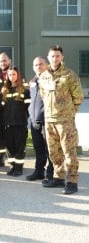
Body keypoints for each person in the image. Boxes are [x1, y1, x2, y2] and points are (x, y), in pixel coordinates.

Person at [40, 45, 84, 195]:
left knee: (69, 151)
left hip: (65, 120)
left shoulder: (69, 75)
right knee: (54, 151)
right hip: (49, 119)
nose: (55, 58)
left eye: (57, 56)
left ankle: (72, 181)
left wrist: (70, 112)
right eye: (52, 56)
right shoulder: (43, 76)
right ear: (48, 57)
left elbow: (78, 97)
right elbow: (43, 95)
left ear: (62, 57)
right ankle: (58, 177)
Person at [26, 57, 54, 182]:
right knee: (38, 148)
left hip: (46, 120)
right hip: (34, 120)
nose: (38, 67)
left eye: (41, 64)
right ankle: (39, 171)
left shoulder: (51, 79)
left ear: (46, 65)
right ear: (33, 67)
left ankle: (51, 173)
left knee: (50, 149)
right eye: (36, 65)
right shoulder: (32, 81)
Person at [0, 67, 30, 177]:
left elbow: (28, 107)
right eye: (10, 75)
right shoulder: (5, 91)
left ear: (18, 75)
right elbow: (2, 108)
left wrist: (23, 118)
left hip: (20, 124)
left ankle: (19, 168)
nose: (12, 76)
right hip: (8, 125)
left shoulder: (24, 90)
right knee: (10, 147)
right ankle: (12, 166)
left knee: (19, 147)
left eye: (14, 74)